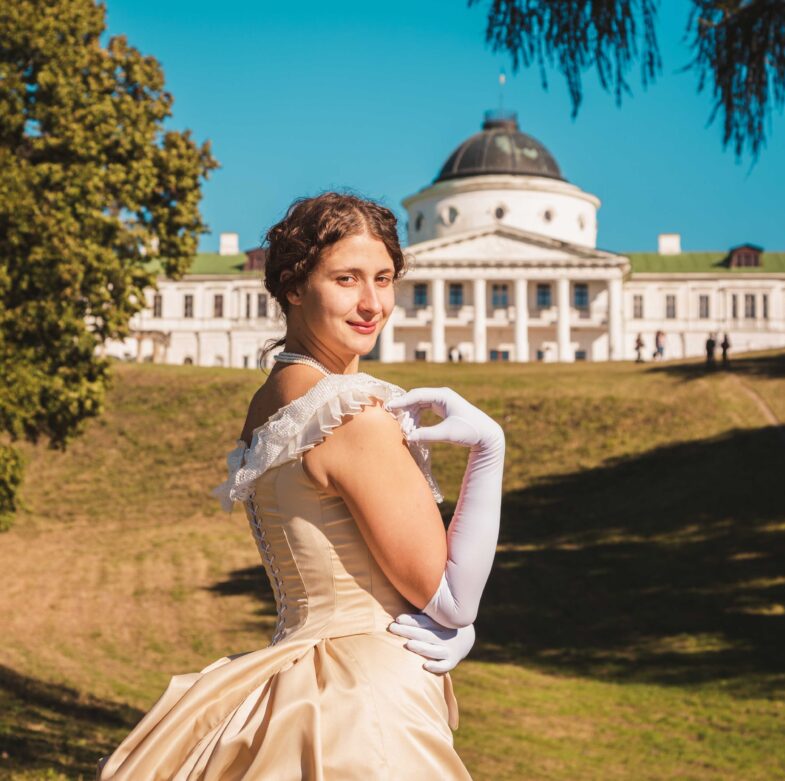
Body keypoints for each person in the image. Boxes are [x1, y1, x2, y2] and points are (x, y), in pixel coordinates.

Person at [96, 192, 505, 779]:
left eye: (384, 279)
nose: (372, 303)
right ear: (294, 287)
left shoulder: (273, 402)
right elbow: (451, 598)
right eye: (346, 279)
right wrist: (489, 451)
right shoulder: (350, 414)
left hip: (301, 677)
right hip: (364, 703)